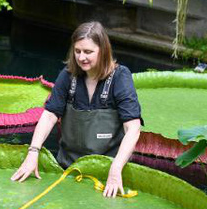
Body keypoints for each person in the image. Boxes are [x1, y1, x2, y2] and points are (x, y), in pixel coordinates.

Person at [11, 21, 143, 197]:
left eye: (88, 52)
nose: (82, 58)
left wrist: (116, 168)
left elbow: (133, 128)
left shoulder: (120, 77)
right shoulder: (67, 76)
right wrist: (33, 152)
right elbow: (49, 115)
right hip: (68, 168)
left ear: (103, 51)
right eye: (78, 51)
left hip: (108, 169)